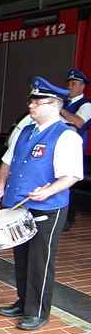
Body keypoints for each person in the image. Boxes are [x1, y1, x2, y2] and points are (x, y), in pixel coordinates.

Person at [0, 77, 82, 331]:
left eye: (37, 102)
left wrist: (48, 191)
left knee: (40, 260)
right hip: (19, 204)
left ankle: (38, 311)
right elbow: (7, 161)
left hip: (48, 207)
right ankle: (23, 302)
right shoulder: (26, 131)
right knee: (21, 257)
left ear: (54, 105)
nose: (30, 106)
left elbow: (71, 175)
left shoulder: (66, 135)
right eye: (31, 101)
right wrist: (0, 185)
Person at [59, 68, 91, 230]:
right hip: (58, 148)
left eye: (74, 83)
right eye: (69, 83)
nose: (70, 86)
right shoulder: (63, 101)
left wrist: (60, 110)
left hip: (72, 150)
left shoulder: (86, 105)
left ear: (82, 87)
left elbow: (79, 122)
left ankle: (67, 219)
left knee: (68, 184)